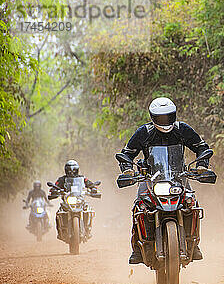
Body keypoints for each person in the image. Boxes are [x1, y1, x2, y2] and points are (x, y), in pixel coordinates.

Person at [118, 97, 210, 264]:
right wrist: (128, 170)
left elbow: (201, 147)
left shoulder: (182, 129)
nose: (165, 120)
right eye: (160, 118)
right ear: (153, 117)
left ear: (173, 115)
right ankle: (137, 249)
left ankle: (193, 244)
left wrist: (202, 165)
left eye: (168, 116)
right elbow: (127, 154)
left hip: (179, 177)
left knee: (191, 204)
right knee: (139, 207)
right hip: (150, 179)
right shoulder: (144, 132)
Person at [49, 160, 98, 240]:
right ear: (66, 170)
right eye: (69, 170)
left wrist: (93, 188)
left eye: (73, 170)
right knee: (59, 213)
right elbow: (55, 186)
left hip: (79, 200)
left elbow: (90, 184)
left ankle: (88, 229)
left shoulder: (82, 178)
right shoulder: (62, 179)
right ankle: (61, 232)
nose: (71, 172)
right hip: (67, 201)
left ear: (77, 170)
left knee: (88, 210)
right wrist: (54, 191)